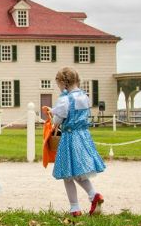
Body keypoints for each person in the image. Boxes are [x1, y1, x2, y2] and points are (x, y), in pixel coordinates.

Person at [43, 67, 105, 216]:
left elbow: (58, 120)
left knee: (67, 174)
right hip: (83, 136)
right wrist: (56, 109)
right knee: (79, 172)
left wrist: (53, 113)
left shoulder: (65, 100)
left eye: (58, 84)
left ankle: (75, 207)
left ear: (64, 83)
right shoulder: (84, 97)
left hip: (69, 137)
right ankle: (93, 195)